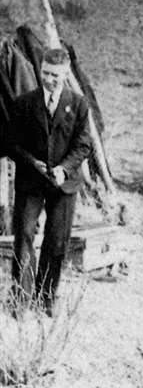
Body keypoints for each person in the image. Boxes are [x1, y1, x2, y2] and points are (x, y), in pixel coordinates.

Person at [4, 48, 92, 313]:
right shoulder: (24, 103)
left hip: (64, 184)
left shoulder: (78, 105)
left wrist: (64, 169)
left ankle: (46, 297)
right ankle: (21, 297)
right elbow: (11, 143)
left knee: (56, 241)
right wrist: (32, 162)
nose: (49, 79)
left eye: (55, 75)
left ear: (65, 74)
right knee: (24, 236)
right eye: (45, 73)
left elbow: (84, 145)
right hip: (31, 181)